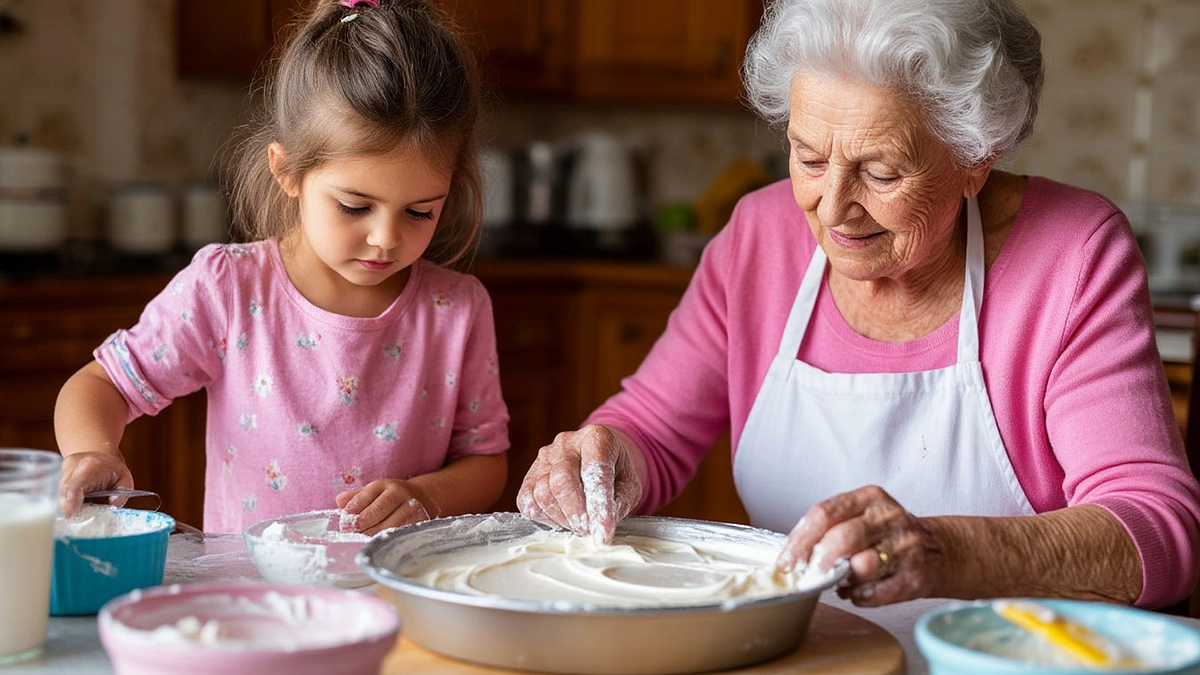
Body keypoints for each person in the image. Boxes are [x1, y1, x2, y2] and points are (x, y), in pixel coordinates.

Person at [517, 0, 1200, 615]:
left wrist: (946, 551)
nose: (832, 206)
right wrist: (597, 460)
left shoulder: (1073, 254)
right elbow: (652, 429)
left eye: (880, 172)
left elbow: (1159, 532)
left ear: (976, 157)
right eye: (809, 158)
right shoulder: (758, 235)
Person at [54, 0, 509, 535]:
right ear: (287, 171)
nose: (386, 238)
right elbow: (103, 382)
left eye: (420, 211)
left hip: (392, 600)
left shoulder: (455, 308)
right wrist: (91, 450)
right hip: (254, 601)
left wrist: (424, 495)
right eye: (355, 206)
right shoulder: (230, 289)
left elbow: (486, 461)